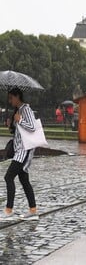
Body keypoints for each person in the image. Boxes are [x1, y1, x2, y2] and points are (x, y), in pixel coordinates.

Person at [1, 88, 38, 221]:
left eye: (11, 98)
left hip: (24, 150)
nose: (10, 101)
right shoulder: (18, 111)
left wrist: (20, 120)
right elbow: (19, 132)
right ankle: (33, 210)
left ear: (17, 97)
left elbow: (32, 127)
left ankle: (8, 210)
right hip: (19, 150)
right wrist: (11, 125)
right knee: (24, 180)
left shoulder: (26, 109)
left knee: (8, 177)